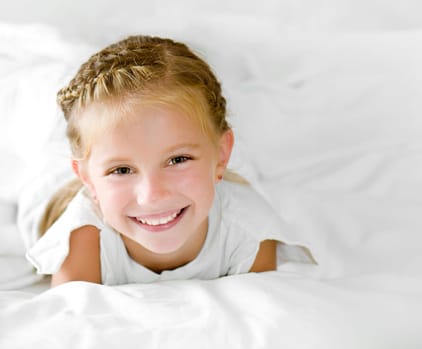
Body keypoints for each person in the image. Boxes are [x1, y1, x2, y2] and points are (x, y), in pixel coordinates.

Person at [26, 35, 305, 287]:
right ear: (88, 180)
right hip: (56, 182)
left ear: (222, 156)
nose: (153, 195)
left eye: (177, 159)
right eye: (121, 170)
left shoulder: (250, 233)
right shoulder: (84, 239)